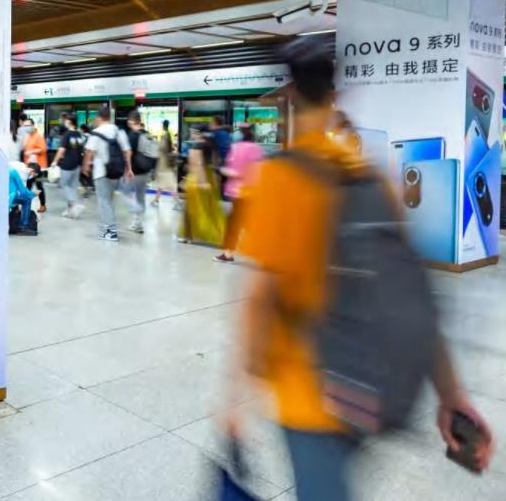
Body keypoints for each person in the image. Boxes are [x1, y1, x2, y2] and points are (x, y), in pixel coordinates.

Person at [227, 39, 494, 499]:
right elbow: (413, 291)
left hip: (308, 392)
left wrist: (237, 397)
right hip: (370, 389)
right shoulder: (374, 177)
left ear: (289, 95)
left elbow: (259, 299)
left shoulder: (278, 179)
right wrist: (452, 395)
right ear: (336, 96)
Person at [82, 106, 133, 242]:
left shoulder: (96, 132)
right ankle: (108, 226)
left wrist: (86, 166)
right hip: (117, 171)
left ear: (99, 117)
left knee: (104, 201)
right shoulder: (118, 131)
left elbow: (89, 152)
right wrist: (129, 169)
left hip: (101, 172)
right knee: (109, 200)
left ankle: (111, 231)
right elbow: (127, 151)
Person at [215, 123, 264, 263]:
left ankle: (228, 255)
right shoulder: (257, 149)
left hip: (240, 192)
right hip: (252, 191)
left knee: (236, 224)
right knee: (244, 223)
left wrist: (223, 170)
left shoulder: (237, 148)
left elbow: (236, 171)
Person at [176, 126, 225, 246]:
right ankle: (219, 235)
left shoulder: (197, 146)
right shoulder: (212, 145)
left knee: (191, 209)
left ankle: (188, 236)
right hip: (210, 178)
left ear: (198, 134)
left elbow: (197, 165)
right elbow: (215, 164)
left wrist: (202, 182)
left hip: (198, 179)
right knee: (209, 208)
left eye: (193, 132)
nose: (192, 134)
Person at [124, 111, 156, 234]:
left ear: (131, 121)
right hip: (146, 170)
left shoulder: (133, 135)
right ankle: (138, 222)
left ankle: (137, 222)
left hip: (135, 171)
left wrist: (127, 169)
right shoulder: (147, 134)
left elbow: (129, 154)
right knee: (140, 197)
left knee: (126, 193)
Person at [52, 113, 85, 219]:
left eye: (66, 120)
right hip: (77, 164)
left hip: (67, 164)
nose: (64, 122)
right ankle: (71, 211)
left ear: (69, 122)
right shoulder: (79, 134)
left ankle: (74, 204)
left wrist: (55, 161)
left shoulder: (67, 134)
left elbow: (61, 150)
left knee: (63, 185)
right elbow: (81, 150)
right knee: (73, 187)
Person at [8, 160, 38, 236]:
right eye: (33, 175)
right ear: (32, 170)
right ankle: (23, 227)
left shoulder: (16, 165)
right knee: (27, 200)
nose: (31, 177)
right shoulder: (19, 173)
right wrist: (33, 194)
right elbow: (23, 192)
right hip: (9, 196)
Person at [152, 119, 176, 208]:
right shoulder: (168, 135)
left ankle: (177, 202)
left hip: (164, 164)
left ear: (164, 125)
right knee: (162, 184)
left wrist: (157, 144)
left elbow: (162, 147)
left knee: (169, 185)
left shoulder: (165, 135)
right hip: (165, 164)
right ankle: (156, 200)